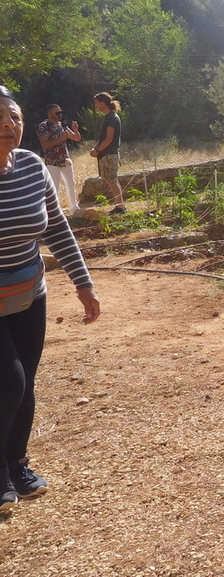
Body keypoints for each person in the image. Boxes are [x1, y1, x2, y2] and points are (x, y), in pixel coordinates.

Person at [0, 86, 100, 512]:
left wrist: (83, 283)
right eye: (0, 119)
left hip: (29, 295)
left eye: (15, 117)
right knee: (10, 381)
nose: (9, 125)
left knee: (25, 388)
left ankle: (17, 463)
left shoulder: (32, 166)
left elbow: (56, 227)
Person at [36, 104, 81, 218]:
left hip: (64, 159)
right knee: (54, 187)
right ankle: (55, 211)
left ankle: (74, 207)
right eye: (57, 113)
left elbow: (76, 138)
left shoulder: (62, 125)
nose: (60, 115)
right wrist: (62, 138)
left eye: (60, 112)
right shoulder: (44, 126)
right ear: (49, 114)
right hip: (52, 161)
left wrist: (75, 130)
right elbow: (45, 144)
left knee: (71, 183)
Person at [89, 92, 126, 213]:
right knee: (111, 180)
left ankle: (120, 207)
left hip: (110, 154)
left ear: (102, 103)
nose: (95, 105)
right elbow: (103, 138)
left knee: (112, 180)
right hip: (106, 154)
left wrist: (97, 150)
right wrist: (96, 149)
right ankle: (119, 205)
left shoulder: (111, 118)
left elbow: (109, 138)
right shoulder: (108, 117)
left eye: (96, 102)